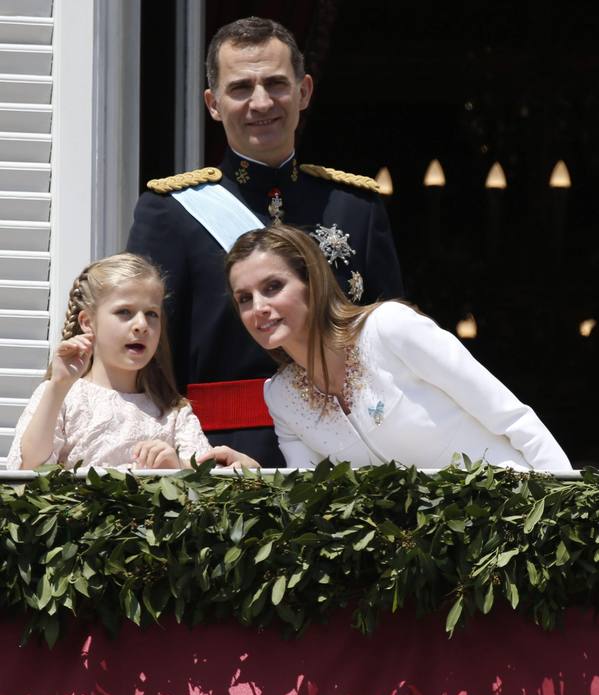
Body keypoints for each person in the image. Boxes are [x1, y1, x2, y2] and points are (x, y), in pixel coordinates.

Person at [126, 16, 403, 466]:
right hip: (217, 455)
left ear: (304, 91)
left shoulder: (357, 207)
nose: (260, 102)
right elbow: (144, 355)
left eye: (276, 84)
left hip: (343, 455)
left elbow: (389, 349)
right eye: (240, 88)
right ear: (213, 104)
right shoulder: (170, 212)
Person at [225, 225, 572, 471]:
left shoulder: (389, 328)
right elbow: (309, 497)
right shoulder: (281, 395)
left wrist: (563, 509)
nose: (258, 307)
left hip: (516, 516)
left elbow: (511, 416)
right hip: (428, 559)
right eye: (244, 298)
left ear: (311, 284)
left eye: (273, 287)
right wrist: (255, 478)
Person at [6, 253, 257, 471]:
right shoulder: (62, 396)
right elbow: (30, 469)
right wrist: (59, 385)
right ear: (87, 322)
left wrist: (175, 469)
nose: (141, 326)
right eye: (124, 312)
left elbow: (204, 488)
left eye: (151, 314)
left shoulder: (173, 411)